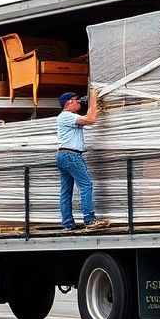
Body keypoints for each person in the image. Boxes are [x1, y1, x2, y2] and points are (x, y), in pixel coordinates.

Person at [56, 88, 108, 231]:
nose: (79, 103)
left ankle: (68, 223)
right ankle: (89, 220)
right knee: (86, 185)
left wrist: (93, 104)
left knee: (66, 191)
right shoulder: (66, 116)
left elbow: (88, 116)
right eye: (77, 100)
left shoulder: (67, 118)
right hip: (71, 155)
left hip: (64, 155)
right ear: (69, 102)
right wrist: (93, 97)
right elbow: (91, 119)